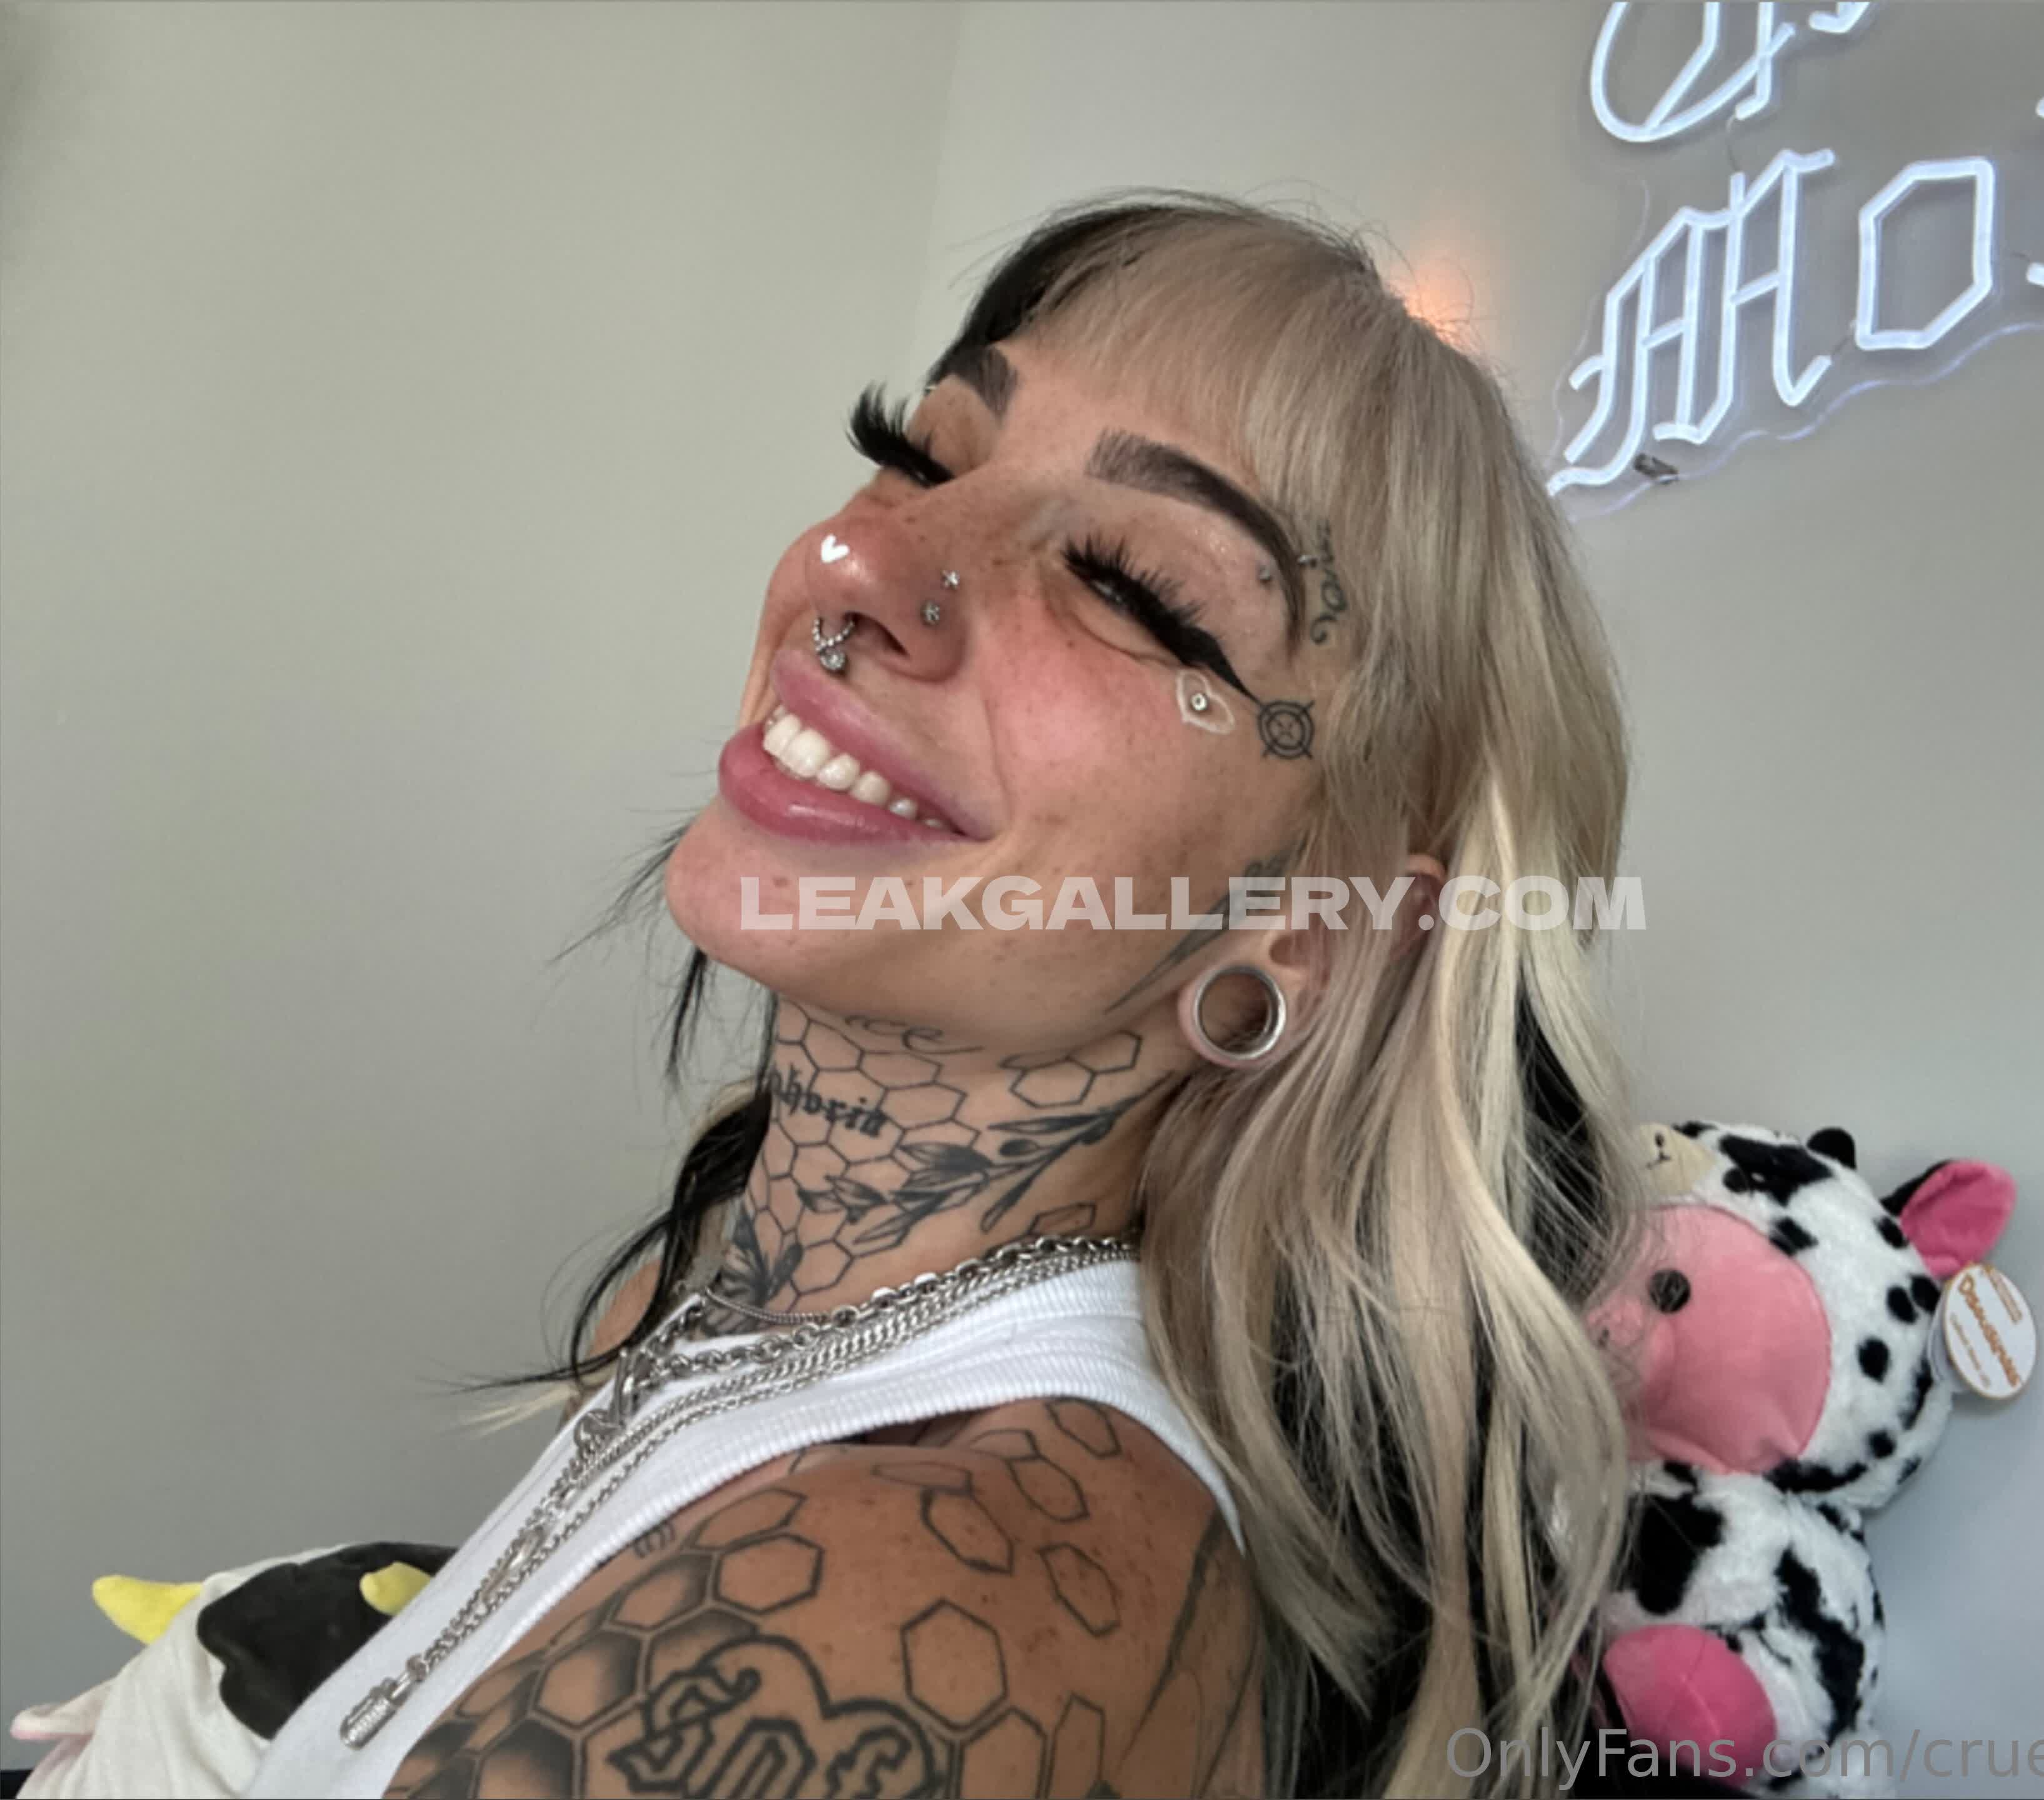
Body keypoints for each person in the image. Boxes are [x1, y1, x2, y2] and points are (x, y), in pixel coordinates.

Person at [244, 187, 1652, 1800]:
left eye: (1129, 583)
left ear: (1312, 931)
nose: (857, 557)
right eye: (917, 455)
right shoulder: (692, 1304)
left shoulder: (904, 1601)